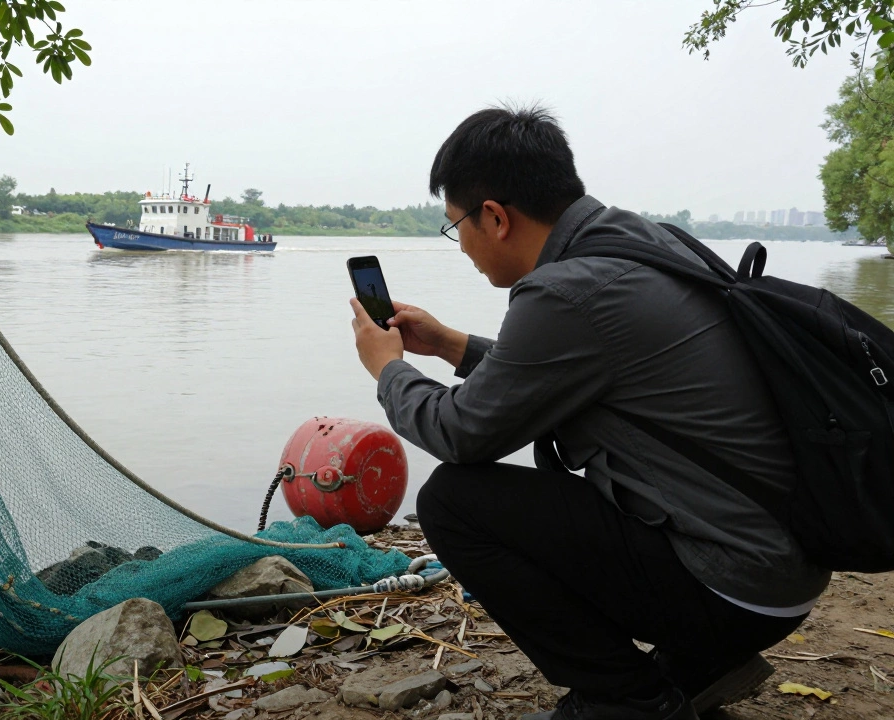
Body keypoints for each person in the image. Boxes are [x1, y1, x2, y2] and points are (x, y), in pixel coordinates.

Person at [348, 106, 828, 720]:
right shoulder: (637, 242)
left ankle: (629, 698)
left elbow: (461, 433)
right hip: (782, 563)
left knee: (453, 502)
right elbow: (554, 377)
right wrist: (448, 345)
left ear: (494, 217)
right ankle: (703, 662)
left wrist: (387, 370)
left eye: (456, 226)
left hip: (736, 586)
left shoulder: (566, 292)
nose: (461, 244)